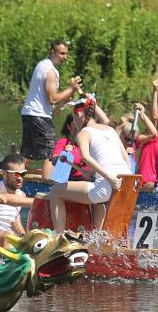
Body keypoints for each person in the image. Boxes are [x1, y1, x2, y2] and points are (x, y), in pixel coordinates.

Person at [49, 96, 132, 232]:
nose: (74, 121)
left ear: (79, 114)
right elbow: (127, 162)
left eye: (73, 116)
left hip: (107, 186)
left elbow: (86, 158)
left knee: (55, 191)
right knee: (98, 195)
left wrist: (109, 178)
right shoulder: (111, 130)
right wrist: (94, 173)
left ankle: (58, 238)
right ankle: (99, 237)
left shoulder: (84, 133)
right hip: (126, 185)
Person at [20, 40, 82, 170]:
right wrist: (71, 89)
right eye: (61, 53)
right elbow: (52, 99)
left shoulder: (42, 64)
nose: (65, 57)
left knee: (27, 153)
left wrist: (64, 100)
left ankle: (17, 172)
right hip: (38, 116)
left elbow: (50, 106)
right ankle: (49, 183)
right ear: (52, 52)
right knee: (51, 152)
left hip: (29, 113)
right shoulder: (50, 71)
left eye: (66, 54)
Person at [45, 114, 90, 181]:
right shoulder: (63, 142)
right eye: (75, 124)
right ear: (68, 127)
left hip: (89, 180)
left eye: (81, 124)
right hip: (70, 182)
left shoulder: (89, 143)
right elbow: (54, 160)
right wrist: (64, 154)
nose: (79, 127)